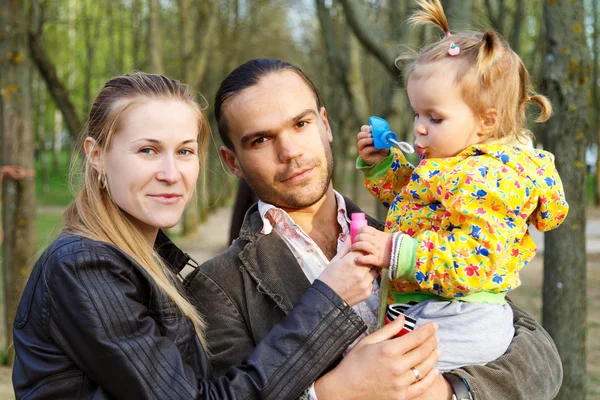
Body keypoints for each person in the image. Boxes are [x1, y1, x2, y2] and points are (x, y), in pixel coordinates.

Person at [12, 72, 439, 399]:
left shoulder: (149, 261)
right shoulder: (83, 266)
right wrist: (333, 385)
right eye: (147, 150)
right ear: (97, 156)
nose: (170, 173)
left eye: (183, 151)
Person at [190, 57, 564, 400]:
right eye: (261, 139)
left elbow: (541, 357)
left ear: (325, 124)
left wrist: (447, 393)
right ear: (232, 161)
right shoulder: (217, 286)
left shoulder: (411, 233)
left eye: (301, 124)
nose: (289, 150)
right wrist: (333, 392)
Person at [353, 0, 568, 372]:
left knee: (387, 378)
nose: (419, 127)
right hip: (435, 306)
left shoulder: (492, 179)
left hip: (461, 316)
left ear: (486, 121)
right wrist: (383, 165)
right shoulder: (452, 163)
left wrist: (399, 252)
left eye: (434, 117)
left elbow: (475, 260)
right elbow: (416, 202)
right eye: (417, 113)